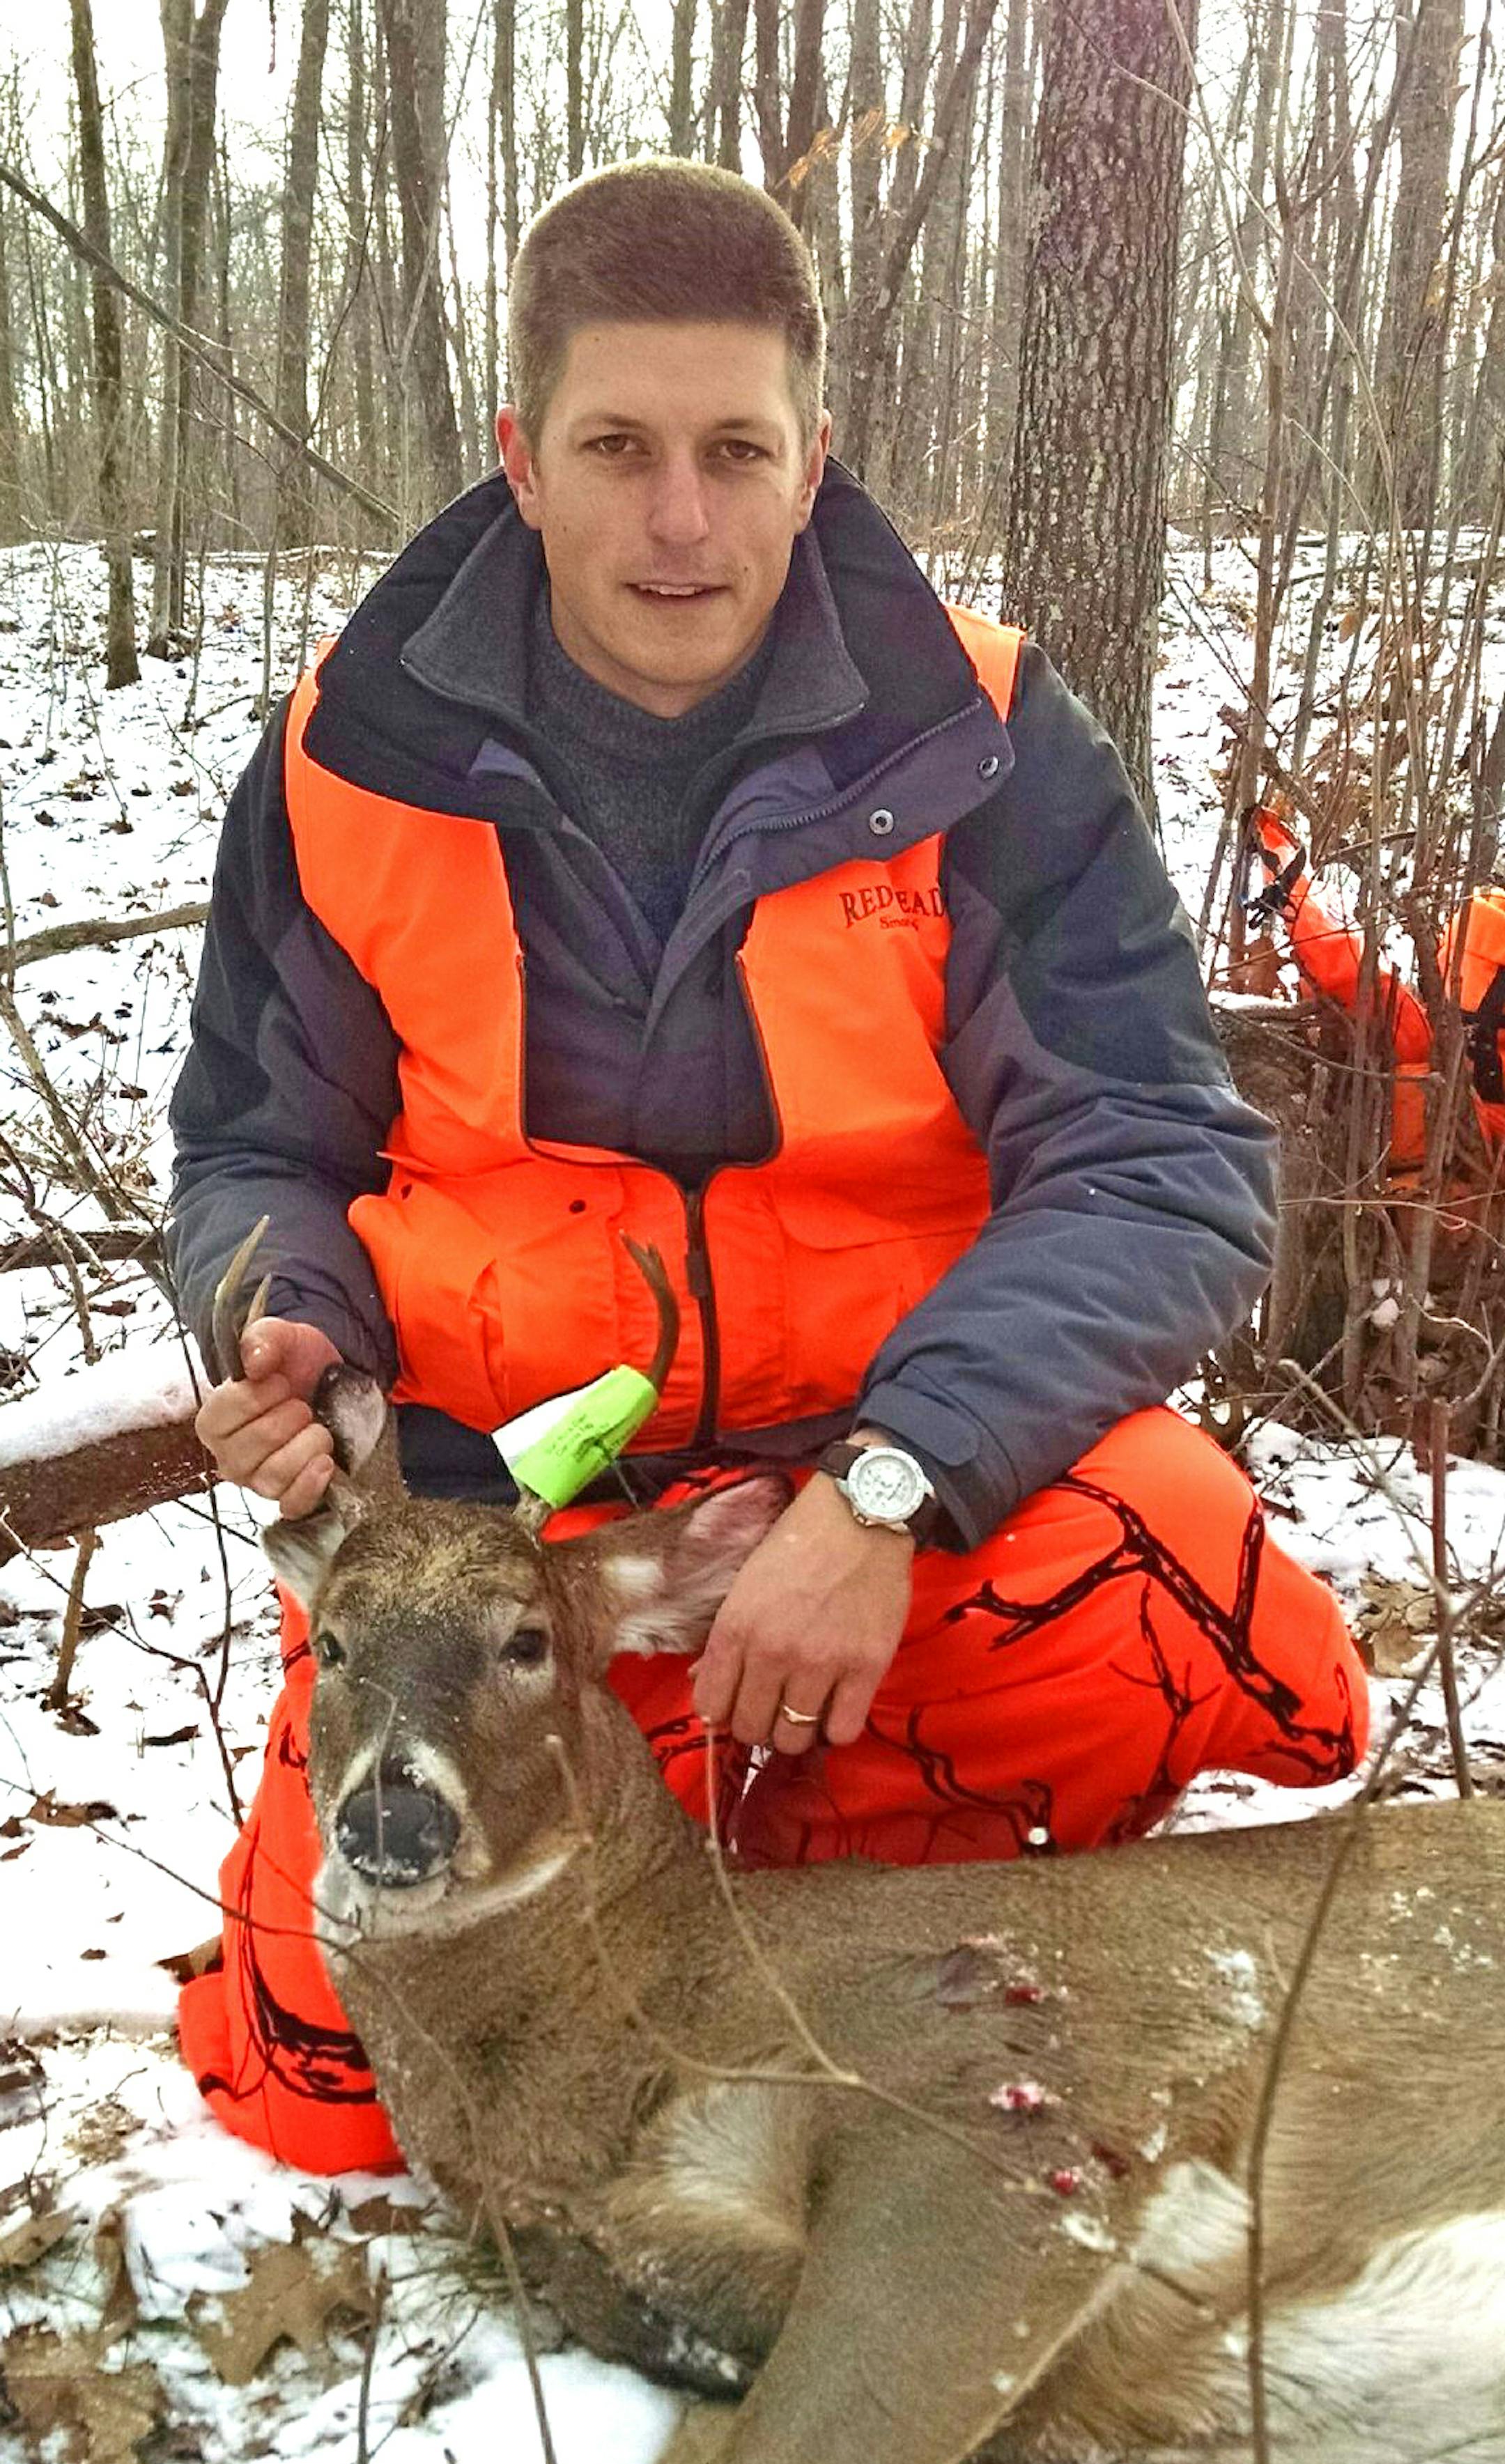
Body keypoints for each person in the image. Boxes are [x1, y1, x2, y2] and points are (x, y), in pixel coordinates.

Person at [168, 160, 1367, 2174]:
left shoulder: (979, 739)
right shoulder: (339, 762)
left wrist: (888, 1484)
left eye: (735, 450)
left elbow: (1156, 1155)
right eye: (616, 448)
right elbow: (257, 1142)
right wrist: (277, 1314)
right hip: (517, 1520)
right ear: (519, 461)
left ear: (817, 458)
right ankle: (713, 1872)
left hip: (898, 1463)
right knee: (326, 2097)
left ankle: (854, 1930)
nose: (679, 520)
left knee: (1173, 1574)